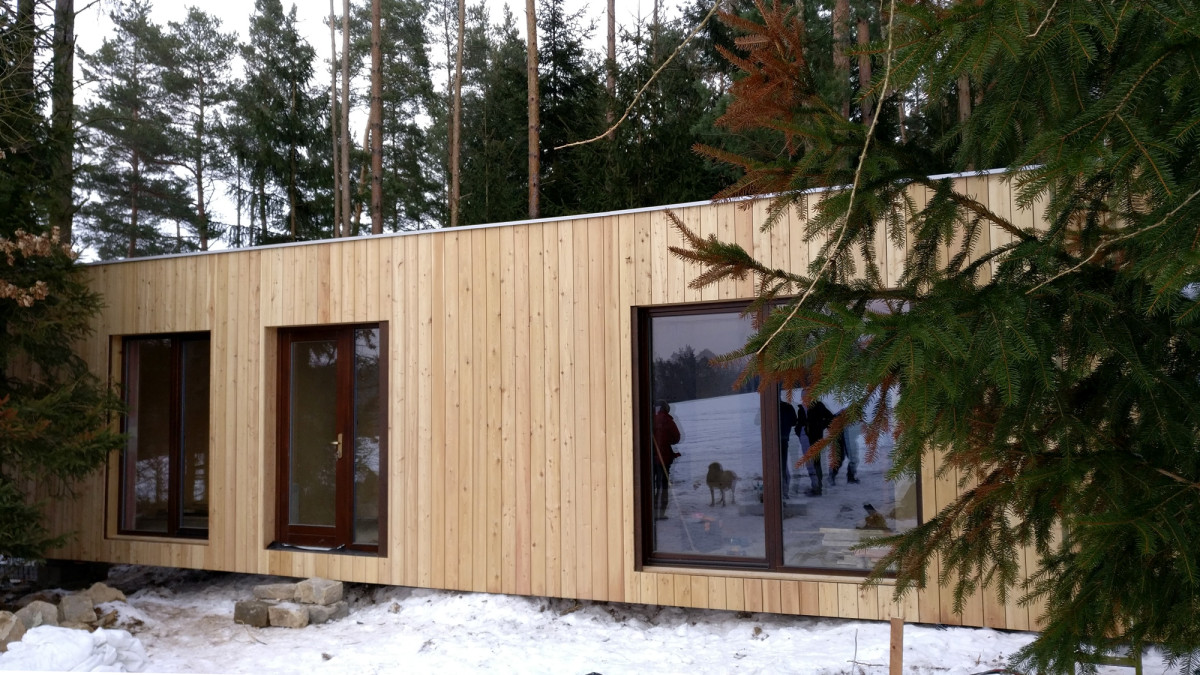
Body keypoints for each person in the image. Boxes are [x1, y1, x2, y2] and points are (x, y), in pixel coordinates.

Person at [652, 401, 681, 520]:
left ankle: (647, 512)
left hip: (648, 459)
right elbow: (676, 438)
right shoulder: (667, 420)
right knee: (662, 486)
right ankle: (659, 513)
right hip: (663, 459)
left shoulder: (646, 418)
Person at [805, 399, 834, 493]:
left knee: (817, 462)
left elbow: (830, 417)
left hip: (816, 437)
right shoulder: (810, 406)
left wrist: (821, 426)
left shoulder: (818, 405)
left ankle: (819, 487)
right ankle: (818, 486)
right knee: (816, 462)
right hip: (812, 437)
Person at [778, 400, 798, 499]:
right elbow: (794, 422)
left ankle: (781, 492)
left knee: (778, 466)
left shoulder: (769, 407)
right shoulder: (788, 407)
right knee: (783, 466)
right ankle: (784, 492)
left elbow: (757, 421)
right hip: (784, 439)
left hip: (772, 441)